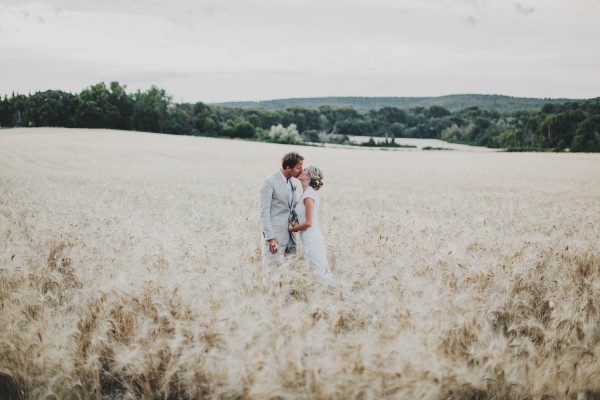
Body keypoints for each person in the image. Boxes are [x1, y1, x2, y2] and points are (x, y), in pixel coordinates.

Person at [288, 166, 334, 282]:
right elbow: (304, 217)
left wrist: (292, 229)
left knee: (319, 271)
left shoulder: (308, 196)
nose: (301, 170)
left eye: (304, 170)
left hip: (312, 237)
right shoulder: (306, 193)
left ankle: (333, 292)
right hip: (308, 237)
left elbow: (308, 223)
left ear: (309, 176)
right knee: (316, 270)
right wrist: (296, 221)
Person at [259, 152, 304, 265]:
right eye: (299, 168)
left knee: (288, 274)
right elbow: (263, 212)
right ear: (288, 167)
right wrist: (270, 238)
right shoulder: (269, 182)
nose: (301, 170)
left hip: (291, 236)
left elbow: (292, 205)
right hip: (275, 237)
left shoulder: (292, 181)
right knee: (271, 273)